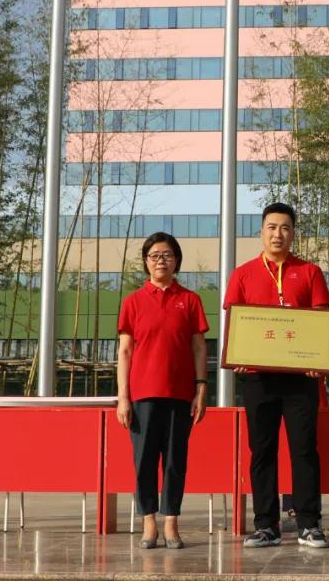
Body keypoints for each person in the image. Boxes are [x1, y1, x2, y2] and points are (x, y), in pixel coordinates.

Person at [223, 202, 329, 549]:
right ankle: (266, 526)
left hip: (301, 378)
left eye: (285, 227)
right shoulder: (242, 274)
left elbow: (320, 320)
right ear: (261, 231)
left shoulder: (310, 272)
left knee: (304, 450)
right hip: (258, 378)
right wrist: (237, 355)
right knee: (262, 451)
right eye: (272, 227)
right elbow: (235, 323)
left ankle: (309, 524)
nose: (278, 234)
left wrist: (318, 360)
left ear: (293, 233)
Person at [116, 232, 209, 550]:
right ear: (146, 261)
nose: (161, 261)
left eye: (167, 255)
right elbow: (125, 351)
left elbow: (199, 347)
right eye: (154, 255)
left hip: (180, 393)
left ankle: (171, 522)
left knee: (174, 460)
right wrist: (123, 397)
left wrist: (201, 387)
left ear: (177, 260)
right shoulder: (133, 301)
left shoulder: (190, 300)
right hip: (141, 394)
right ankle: (148, 522)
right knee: (143, 460)